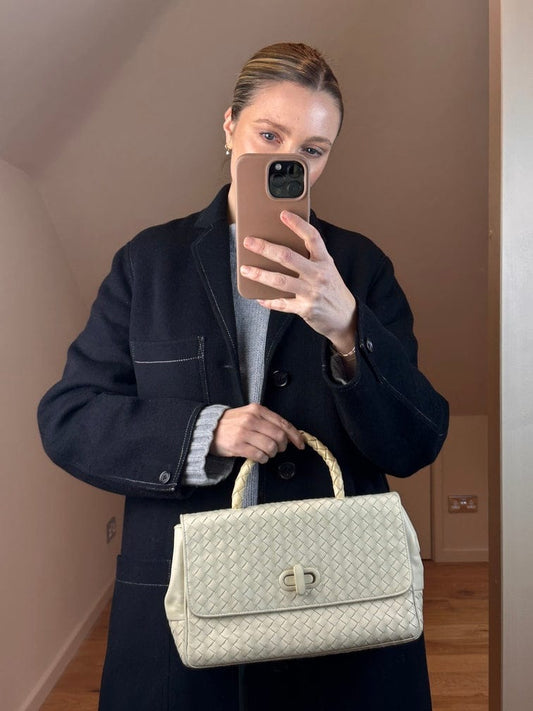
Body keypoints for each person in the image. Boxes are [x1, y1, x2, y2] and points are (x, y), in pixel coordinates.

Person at [38, 42, 449, 711]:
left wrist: (348, 327)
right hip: (185, 613)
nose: (290, 161)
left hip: (337, 608)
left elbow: (415, 442)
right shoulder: (149, 264)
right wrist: (206, 431)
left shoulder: (358, 267)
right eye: (268, 135)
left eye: (313, 149)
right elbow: (70, 417)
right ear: (229, 127)